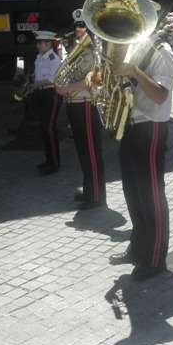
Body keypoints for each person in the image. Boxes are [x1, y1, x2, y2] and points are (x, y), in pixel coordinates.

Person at [106, 29, 173, 281]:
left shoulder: (163, 52)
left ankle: (156, 258)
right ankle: (138, 249)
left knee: (152, 194)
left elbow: (159, 95)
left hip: (152, 125)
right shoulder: (135, 47)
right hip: (131, 123)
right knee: (133, 191)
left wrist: (134, 71)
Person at [56, 11, 105, 208]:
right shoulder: (74, 48)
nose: (79, 30)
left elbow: (93, 81)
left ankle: (95, 197)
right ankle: (89, 190)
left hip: (85, 104)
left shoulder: (91, 51)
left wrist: (66, 88)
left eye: (83, 27)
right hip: (74, 104)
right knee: (82, 151)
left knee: (91, 151)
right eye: (77, 26)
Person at [31, 30, 63, 173]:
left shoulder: (53, 59)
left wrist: (36, 84)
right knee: (44, 128)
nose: (37, 45)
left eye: (40, 43)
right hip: (42, 93)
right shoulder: (40, 56)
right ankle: (48, 160)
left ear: (48, 44)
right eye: (37, 43)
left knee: (49, 128)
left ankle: (54, 163)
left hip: (52, 93)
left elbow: (53, 79)